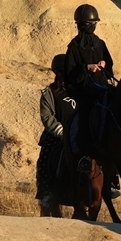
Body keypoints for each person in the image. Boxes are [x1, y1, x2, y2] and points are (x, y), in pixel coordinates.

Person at [63, 4, 119, 197]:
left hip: (102, 89)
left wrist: (104, 65)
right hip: (85, 93)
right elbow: (70, 74)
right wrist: (87, 67)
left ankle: (117, 164)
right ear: (82, 25)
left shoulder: (100, 43)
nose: (93, 27)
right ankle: (85, 158)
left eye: (94, 24)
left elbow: (110, 65)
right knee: (85, 118)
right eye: (90, 24)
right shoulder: (74, 46)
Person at [35, 54, 77, 212]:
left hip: (78, 134)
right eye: (63, 71)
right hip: (56, 135)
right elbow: (47, 117)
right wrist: (63, 132)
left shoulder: (81, 90)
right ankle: (46, 193)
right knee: (45, 157)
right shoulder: (49, 92)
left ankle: (109, 186)